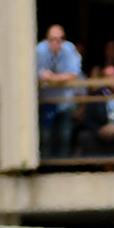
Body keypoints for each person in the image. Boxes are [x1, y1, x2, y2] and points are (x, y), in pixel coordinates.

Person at [36, 24, 83, 160]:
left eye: (60, 39)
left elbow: (73, 75)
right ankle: (47, 170)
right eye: (53, 39)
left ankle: (62, 169)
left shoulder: (69, 49)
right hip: (47, 102)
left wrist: (53, 78)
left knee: (64, 137)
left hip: (65, 102)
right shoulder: (39, 51)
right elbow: (41, 75)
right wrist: (61, 78)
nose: (57, 42)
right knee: (46, 137)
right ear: (47, 40)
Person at [78, 64, 114, 162]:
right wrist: (99, 130)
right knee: (84, 136)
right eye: (109, 76)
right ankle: (100, 167)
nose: (113, 79)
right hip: (103, 131)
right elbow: (88, 119)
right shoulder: (95, 96)